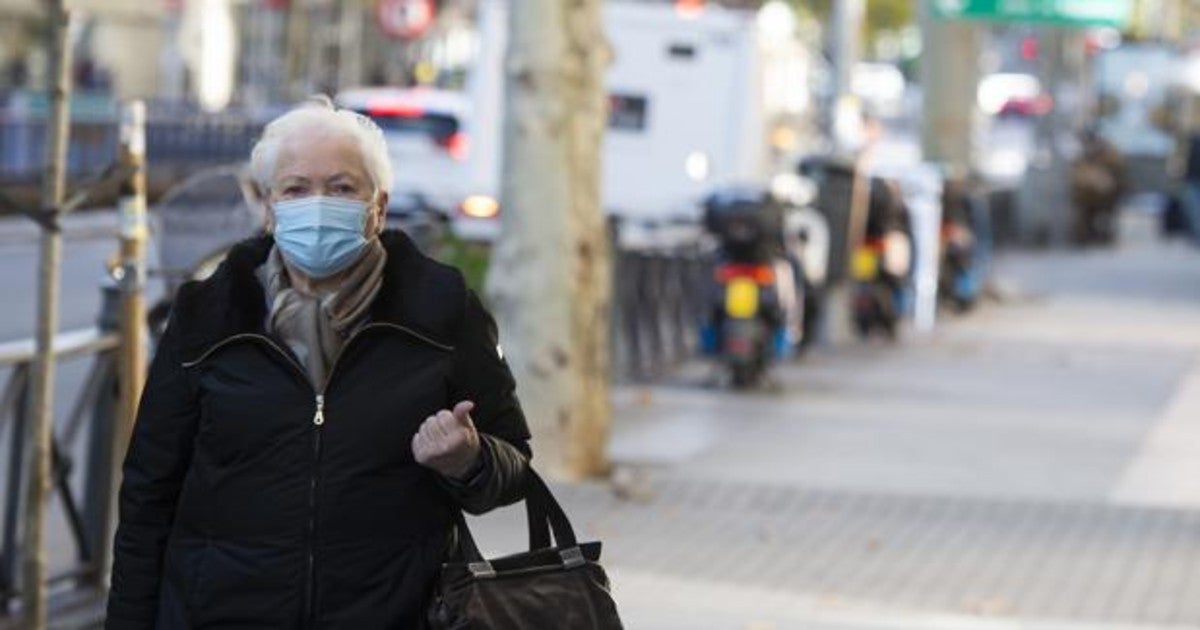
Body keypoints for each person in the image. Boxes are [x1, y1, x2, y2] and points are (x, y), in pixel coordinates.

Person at [105, 97, 532, 628]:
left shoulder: (441, 310)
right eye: (296, 189)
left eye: (342, 188)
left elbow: (513, 465)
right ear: (268, 207)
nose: (318, 204)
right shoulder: (208, 314)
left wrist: (469, 459)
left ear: (378, 207)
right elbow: (149, 492)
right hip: (219, 612)